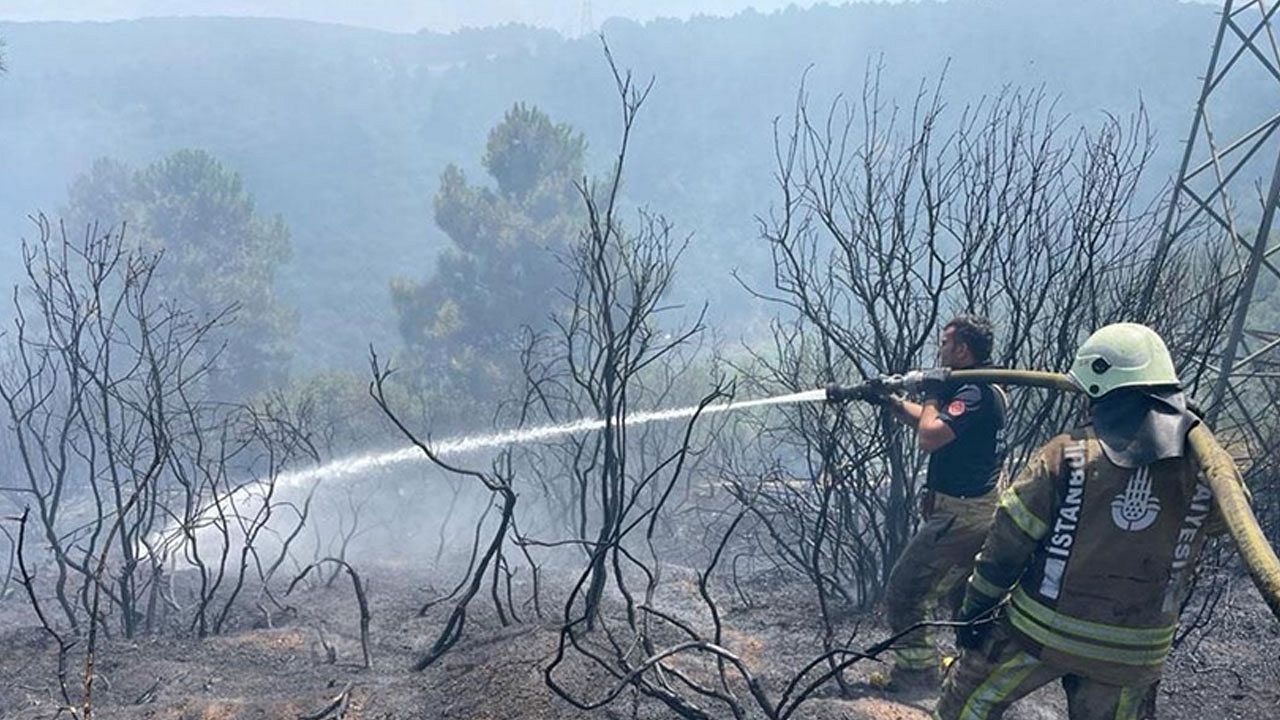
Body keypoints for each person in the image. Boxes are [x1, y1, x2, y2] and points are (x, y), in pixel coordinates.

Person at [935, 322, 1239, 720]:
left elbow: (1007, 543)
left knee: (967, 705)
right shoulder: (1207, 467)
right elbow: (1225, 521)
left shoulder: (1069, 455)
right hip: (1134, 653)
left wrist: (975, 610)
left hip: (1040, 632)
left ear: (1097, 389)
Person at [862, 315, 1009, 692]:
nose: (940, 350)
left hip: (960, 516)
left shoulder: (975, 394)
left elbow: (929, 436)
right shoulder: (972, 390)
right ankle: (967, 681)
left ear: (962, 349)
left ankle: (917, 676)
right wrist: (890, 402)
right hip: (965, 512)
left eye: (945, 343)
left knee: (906, 592)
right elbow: (934, 423)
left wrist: (930, 392)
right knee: (965, 604)